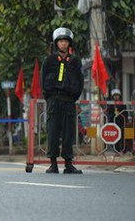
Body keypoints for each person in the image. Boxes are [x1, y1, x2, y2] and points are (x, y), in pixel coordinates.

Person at [41, 27, 84, 174]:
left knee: (68, 132)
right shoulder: (49, 60)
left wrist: (73, 98)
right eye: (60, 41)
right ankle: (53, 163)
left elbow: (80, 81)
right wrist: (49, 97)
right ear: (56, 43)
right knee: (52, 131)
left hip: (69, 101)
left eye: (66, 41)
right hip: (53, 100)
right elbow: (43, 81)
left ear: (69, 43)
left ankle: (68, 163)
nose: (63, 44)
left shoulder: (75, 61)